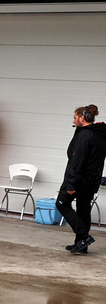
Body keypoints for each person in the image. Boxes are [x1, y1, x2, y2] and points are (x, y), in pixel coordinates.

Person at [57, 105, 106, 254]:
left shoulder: (85, 135)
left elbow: (77, 160)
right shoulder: (99, 133)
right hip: (92, 180)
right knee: (83, 209)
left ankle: (84, 237)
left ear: (82, 117)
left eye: (75, 117)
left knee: (62, 204)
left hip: (79, 180)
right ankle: (81, 245)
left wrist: (71, 183)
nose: (74, 120)